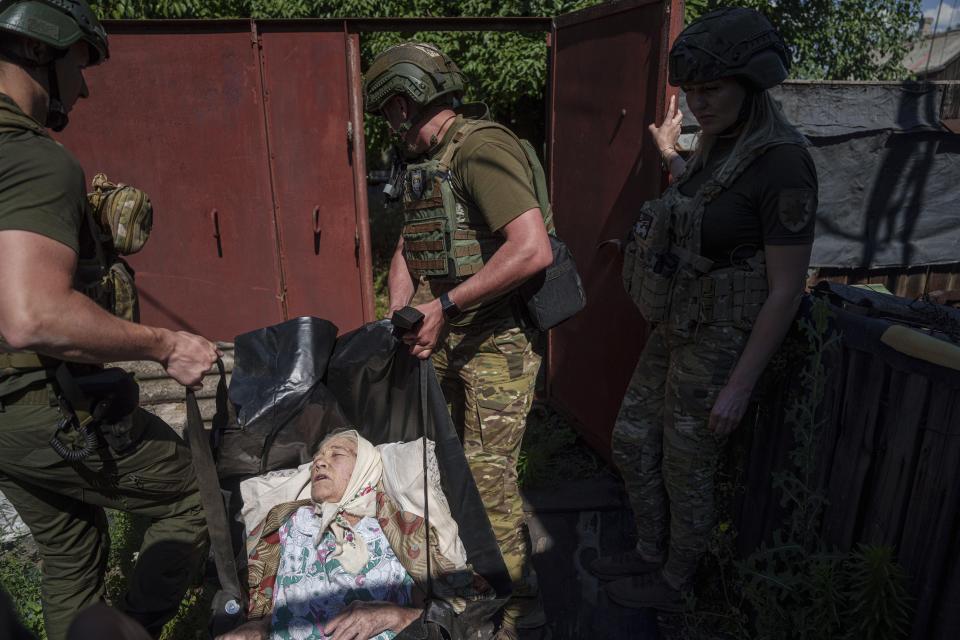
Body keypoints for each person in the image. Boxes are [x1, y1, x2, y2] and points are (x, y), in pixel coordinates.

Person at [0, 2, 219, 638]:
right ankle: (133, 630)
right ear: (43, 51)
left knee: (70, 546)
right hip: (40, 400)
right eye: (80, 62)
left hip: (7, 424)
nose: (86, 84)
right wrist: (164, 344)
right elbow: (31, 315)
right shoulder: (36, 158)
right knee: (188, 495)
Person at [590, 7, 818, 611]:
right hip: (678, 323)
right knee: (634, 441)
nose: (697, 104)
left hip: (723, 337)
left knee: (686, 466)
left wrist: (740, 385)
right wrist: (671, 154)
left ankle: (673, 584)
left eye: (710, 90)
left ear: (752, 84)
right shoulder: (719, 143)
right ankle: (648, 552)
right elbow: (713, 202)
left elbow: (786, 287)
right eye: (690, 92)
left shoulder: (784, 162)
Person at [362, 42, 554, 638]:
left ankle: (523, 616)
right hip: (446, 338)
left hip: (497, 345)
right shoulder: (429, 161)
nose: (390, 125)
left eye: (390, 111)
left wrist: (442, 305)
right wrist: (400, 309)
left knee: (487, 483)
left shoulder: (482, 148)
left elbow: (532, 248)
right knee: (443, 473)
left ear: (405, 101)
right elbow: (409, 244)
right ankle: (468, 587)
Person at [219, 430, 485, 640]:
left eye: (337, 454)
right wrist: (259, 626)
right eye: (318, 458)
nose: (319, 462)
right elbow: (272, 603)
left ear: (364, 470)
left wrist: (395, 616)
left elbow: (437, 615)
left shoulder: (397, 528)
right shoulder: (287, 524)